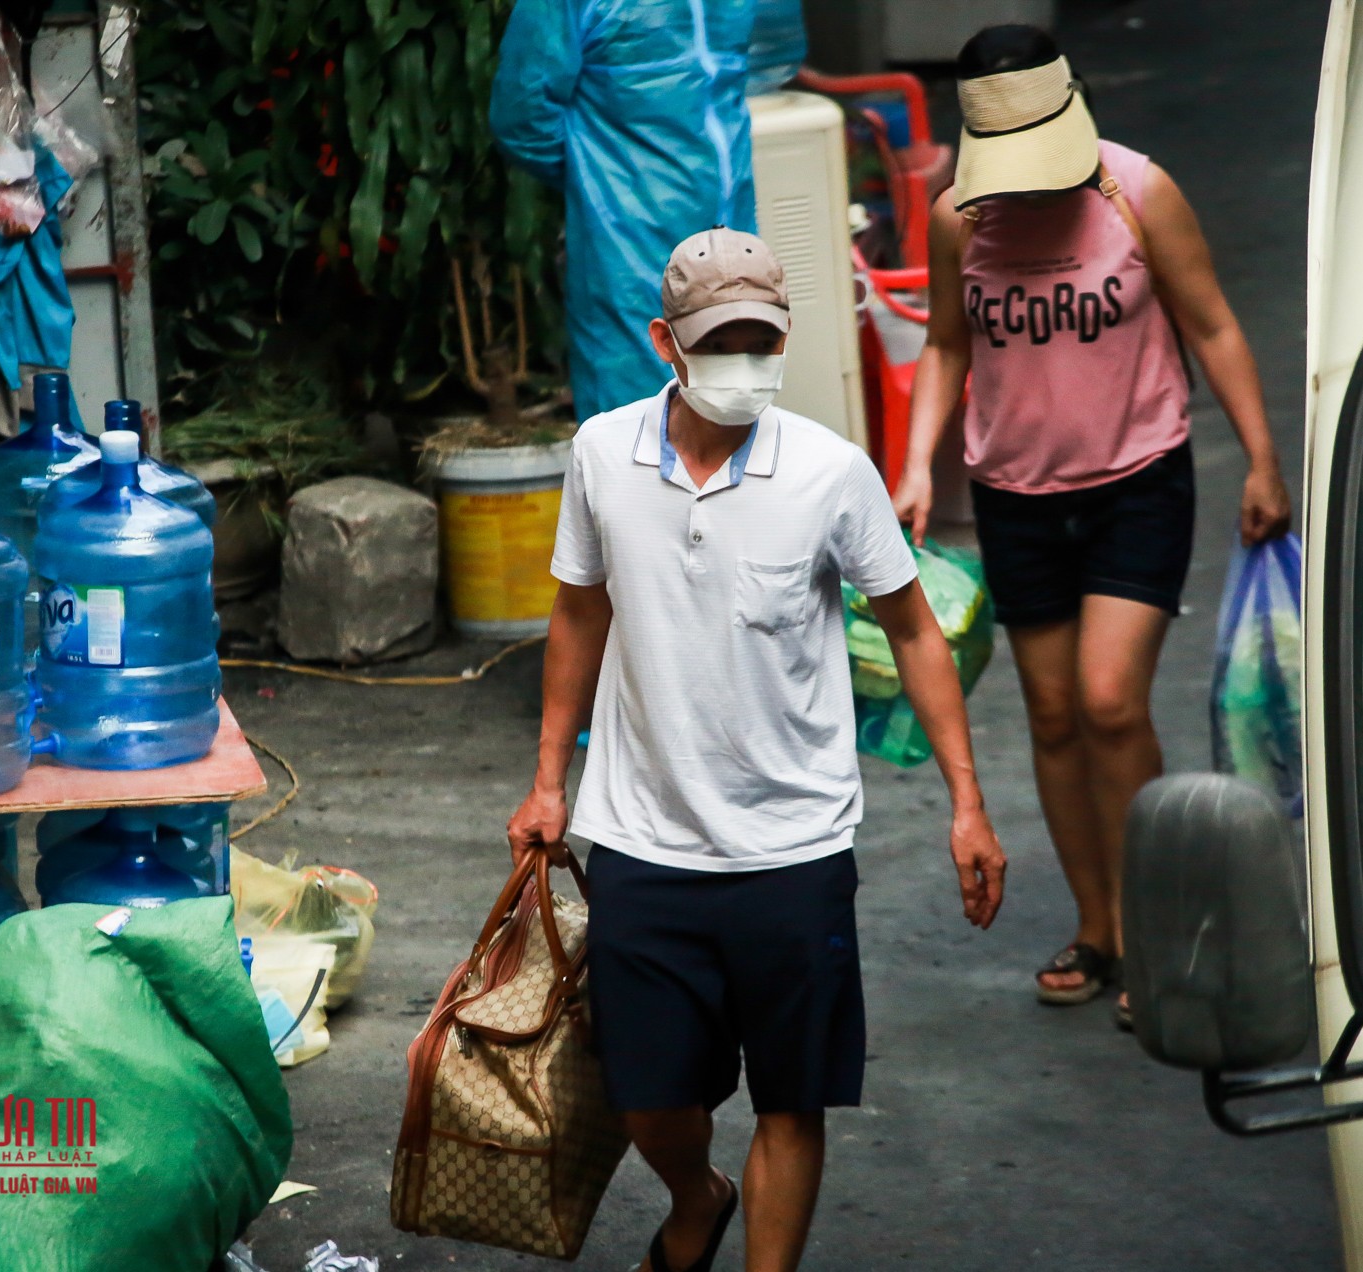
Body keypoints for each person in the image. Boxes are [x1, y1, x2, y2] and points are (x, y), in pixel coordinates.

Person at [508, 228, 1008, 1272]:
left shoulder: (829, 473)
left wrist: (967, 801)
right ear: (665, 343)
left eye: (760, 340)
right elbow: (577, 612)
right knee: (649, 1097)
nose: (745, 362)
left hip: (795, 847)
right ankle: (697, 1194)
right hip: (643, 837)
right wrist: (548, 779)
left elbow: (914, 628)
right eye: (720, 341)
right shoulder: (603, 453)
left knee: (792, 1097)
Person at [892, 26, 1292, 1024]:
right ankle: (1100, 924)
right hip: (1015, 494)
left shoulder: (1136, 192)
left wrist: (1260, 457)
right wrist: (909, 467)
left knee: (1111, 701)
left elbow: (1210, 323)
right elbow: (944, 346)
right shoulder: (959, 220)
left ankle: (1161, 931)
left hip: (1136, 480)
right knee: (1053, 715)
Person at [489, 0, 757, 424]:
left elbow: (761, 62)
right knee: (640, 436)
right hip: (626, 249)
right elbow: (522, 117)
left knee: (737, 423)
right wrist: (601, 182)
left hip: (732, 235)